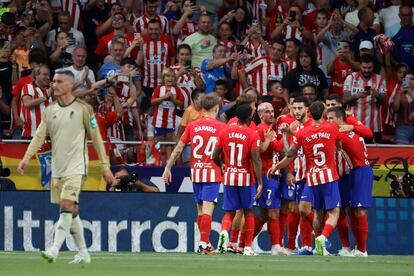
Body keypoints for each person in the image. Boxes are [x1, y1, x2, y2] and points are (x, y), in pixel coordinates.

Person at [17, 69, 114, 263]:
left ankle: (54, 250)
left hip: (77, 167)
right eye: (53, 81)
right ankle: (84, 253)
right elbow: (39, 136)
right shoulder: (50, 110)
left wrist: (105, 166)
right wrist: (26, 158)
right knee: (73, 210)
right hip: (58, 169)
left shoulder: (84, 109)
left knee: (66, 204)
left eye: (59, 81)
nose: (55, 85)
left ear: (70, 85)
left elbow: (97, 139)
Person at [270, 101, 342, 256]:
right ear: (323, 113)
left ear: (308, 111)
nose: (297, 111)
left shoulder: (303, 131)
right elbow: (340, 145)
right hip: (319, 176)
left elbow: (289, 152)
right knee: (318, 211)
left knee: (313, 211)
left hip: (312, 176)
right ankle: (317, 241)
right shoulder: (330, 128)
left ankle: (317, 244)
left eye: (300, 108)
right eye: (294, 108)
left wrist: (286, 135)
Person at [163, 93, 224, 254]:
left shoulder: (193, 125)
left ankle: (203, 242)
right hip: (212, 173)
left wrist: (167, 167)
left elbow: (178, 148)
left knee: (200, 210)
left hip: (196, 172)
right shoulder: (221, 127)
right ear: (216, 109)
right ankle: (204, 243)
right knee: (207, 210)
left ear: (202, 108)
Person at [213, 104, 263, 256]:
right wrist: (260, 183)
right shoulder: (252, 134)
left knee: (229, 212)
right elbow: (256, 160)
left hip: (229, 176)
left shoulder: (224, 132)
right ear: (249, 118)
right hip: (245, 178)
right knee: (248, 211)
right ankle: (247, 247)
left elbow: (214, 156)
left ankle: (223, 233)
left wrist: (222, 165)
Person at [327, 106, 374, 257]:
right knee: (353, 210)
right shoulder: (346, 130)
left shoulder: (341, 132)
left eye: (331, 118)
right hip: (354, 171)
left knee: (359, 210)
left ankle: (362, 249)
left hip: (362, 171)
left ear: (340, 119)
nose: (328, 121)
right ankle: (357, 248)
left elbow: (322, 139)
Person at [252, 102, 289, 255]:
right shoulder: (262, 129)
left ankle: (242, 243)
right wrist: (286, 134)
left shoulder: (269, 129)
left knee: (264, 214)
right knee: (272, 212)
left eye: (272, 111)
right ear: (260, 115)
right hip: (267, 175)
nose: (271, 114)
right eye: (267, 112)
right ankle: (276, 247)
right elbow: (280, 148)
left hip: (272, 175)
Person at [343, 54, 387, 143]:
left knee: (374, 154)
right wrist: (357, 96)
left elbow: (384, 102)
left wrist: (376, 94)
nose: (366, 70)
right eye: (364, 67)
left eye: (369, 68)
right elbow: (345, 100)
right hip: (353, 125)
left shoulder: (380, 80)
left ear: (373, 66)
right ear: (360, 65)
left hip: (374, 127)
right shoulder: (350, 78)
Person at [20, 64, 51, 138]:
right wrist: (46, 97)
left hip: (48, 135)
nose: (48, 77)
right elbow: (27, 103)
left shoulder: (50, 90)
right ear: (36, 75)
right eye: (45, 74)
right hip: (31, 135)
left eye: (49, 75)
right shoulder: (28, 87)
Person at [391, 5, 414, 71]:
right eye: (404, 15)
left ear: (412, 15)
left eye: (408, 15)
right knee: (405, 81)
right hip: (400, 72)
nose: (406, 18)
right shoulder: (392, 31)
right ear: (399, 15)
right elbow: (388, 52)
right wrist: (397, 65)